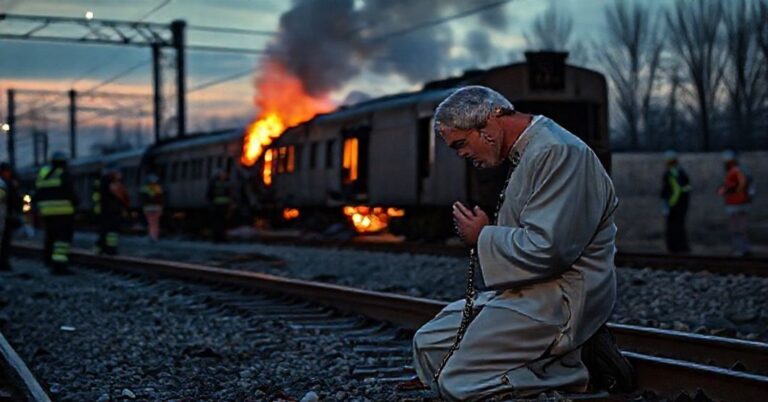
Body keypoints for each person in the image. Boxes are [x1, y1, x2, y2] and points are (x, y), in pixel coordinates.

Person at [411, 86, 633, 400]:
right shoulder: (530, 152)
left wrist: (482, 236)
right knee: (429, 346)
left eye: (461, 143)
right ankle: (549, 362)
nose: (461, 155)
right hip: (529, 291)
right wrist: (486, 235)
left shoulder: (558, 152)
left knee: (458, 382)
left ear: (489, 123)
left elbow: (550, 249)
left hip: (561, 297)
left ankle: (578, 368)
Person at [35, 151, 78, 275]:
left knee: (50, 237)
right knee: (62, 239)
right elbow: (70, 192)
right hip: (63, 212)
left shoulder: (43, 174)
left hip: (47, 212)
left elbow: (38, 192)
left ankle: (49, 261)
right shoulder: (63, 174)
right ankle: (60, 266)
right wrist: (76, 203)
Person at [718, 150, 752, 256]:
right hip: (741, 203)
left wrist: (724, 191)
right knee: (741, 227)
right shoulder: (741, 171)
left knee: (737, 227)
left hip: (736, 204)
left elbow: (737, 186)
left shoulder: (734, 172)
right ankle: (743, 248)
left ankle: (740, 249)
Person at [660, 151, 691, 253]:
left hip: (673, 205)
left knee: (673, 228)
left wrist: (666, 205)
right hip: (681, 205)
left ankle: (674, 249)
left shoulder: (670, 174)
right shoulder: (681, 173)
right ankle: (680, 249)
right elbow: (686, 190)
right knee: (679, 227)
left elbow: (667, 191)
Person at [95, 165, 130, 255]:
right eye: (118, 173)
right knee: (112, 231)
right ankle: (110, 249)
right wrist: (124, 206)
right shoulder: (113, 184)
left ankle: (101, 248)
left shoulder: (102, 182)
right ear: (113, 173)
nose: (120, 175)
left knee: (105, 230)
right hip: (113, 211)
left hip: (106, 210)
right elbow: (123, 197)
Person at [0, 163, 22, 271]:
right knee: (4, 242)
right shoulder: (6, 184)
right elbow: (13, 200)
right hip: (5, 217)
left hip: (5, 216)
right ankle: (4, 263)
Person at [206, 169, 232, 242]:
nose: (224, 176)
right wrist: (212, 204)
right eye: (222, 175)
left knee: (223, 223)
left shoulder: (226, 183)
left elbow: (229, 194)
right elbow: (209, 195)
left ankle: (222, 238)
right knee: (217, 223)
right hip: (217, 206)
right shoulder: (214, 183)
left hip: (224, 206)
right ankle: (216, 238)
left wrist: (230, 204)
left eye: (224, 175)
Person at [140, 173, 164, 241]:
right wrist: (161, 208)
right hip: (156, 208)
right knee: (155, 223)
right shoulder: (158, 188)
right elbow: (161, 200)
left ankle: (152, 236)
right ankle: (154, 237)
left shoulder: (144, 188)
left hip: (148, 208)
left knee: (151, 223)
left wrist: (144, 208)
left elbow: (143, 200)